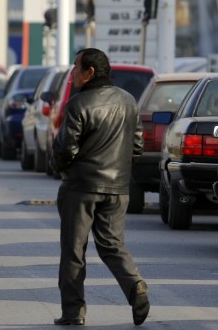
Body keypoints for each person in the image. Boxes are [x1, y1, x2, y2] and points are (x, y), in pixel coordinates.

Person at [51, 48, 150, 327]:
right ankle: (135, 286)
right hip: (118, 188)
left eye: (75, 67)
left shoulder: (79, 104)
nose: (72, 73)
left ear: (89, 72)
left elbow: (64, 150)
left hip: (81, 187)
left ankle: (73, 312)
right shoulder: (129, 101)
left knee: (74, 251)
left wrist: (59, 167)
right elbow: (137, 147)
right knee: (113, 247)